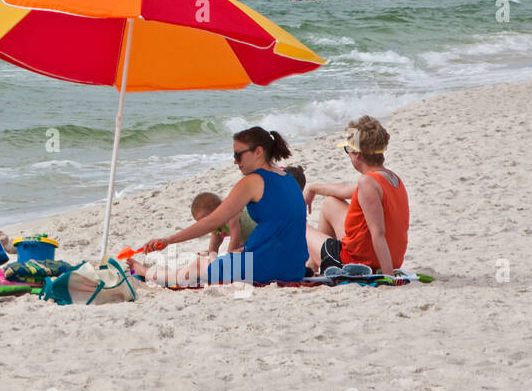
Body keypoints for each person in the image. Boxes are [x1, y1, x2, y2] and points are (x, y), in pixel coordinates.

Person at [128, 128, 308, 286]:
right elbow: (282, 226)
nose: (235, 162)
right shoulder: (287, 178)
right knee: (221, 258)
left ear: (258, 151)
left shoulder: (252, 181)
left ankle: (145, 273)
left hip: (264, 268)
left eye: (238, 155)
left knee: (199, 266)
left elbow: (213, 221)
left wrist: (169, 240)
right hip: (294, 268)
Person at [303, 116, 408, 276]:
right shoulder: (389, 178)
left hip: (358, 262)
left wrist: (388, 276)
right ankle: (311, 266)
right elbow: (344, 190)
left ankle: (314, 264)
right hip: (388, 257)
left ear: (358, 154)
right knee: (330, 203)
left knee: (296, 224)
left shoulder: (367, 183)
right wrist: (313, 189)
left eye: (348, 151)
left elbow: (378, 233)